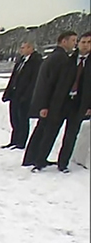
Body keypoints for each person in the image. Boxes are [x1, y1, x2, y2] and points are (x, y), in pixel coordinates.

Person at [23, 31, 79, 171]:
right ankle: (37, 159)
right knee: (46, 132)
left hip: (47, 102)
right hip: (52, 103)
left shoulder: (54, 57)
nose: (75, 44)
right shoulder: (61, 59)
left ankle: (33, 158)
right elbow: (51, 84)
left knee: (41, 131)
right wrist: (46, 105)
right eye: (73, 40)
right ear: (64, 41)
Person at [54, 32, 91, 173]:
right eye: (83, 42)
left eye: (89, 42)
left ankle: (63, 163)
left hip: (80, 104)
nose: (86, 45)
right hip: (63, 101)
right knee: (52, 130)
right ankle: (40, 160)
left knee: (71, 134)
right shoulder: (69, 59)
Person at [1, 42, 43, 149]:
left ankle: (21, 142)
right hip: (15, 94)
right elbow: (14, 77)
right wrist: (8, 92)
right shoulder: (21, 61)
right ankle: (14, 140)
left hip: (24, 96)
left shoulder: (36, 62)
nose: (21, 50)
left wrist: (26, 95)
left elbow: (34, 81)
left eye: (23, 48)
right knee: (14, 118)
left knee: (22, 119)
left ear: (30, 48)